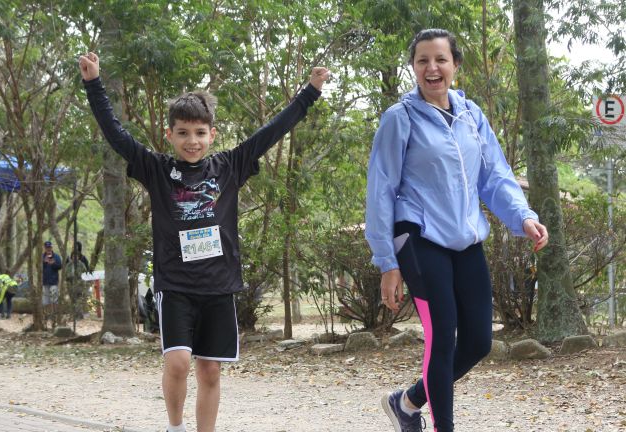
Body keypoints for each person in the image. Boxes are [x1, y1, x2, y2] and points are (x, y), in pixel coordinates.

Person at [78, 52, 329, 432]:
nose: (191, 141)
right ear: (170, 135)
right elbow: (117, 134)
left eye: (199, 133)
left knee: (210, 370)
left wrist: (309, 92)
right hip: (175, 285)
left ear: (212, 134)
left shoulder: (229, 165)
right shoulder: (157, 169)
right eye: (182, 132)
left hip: (217, 286)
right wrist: (94, 83)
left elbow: (273, 130)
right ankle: (175, 427)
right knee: (178, 361)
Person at [365, 29, 548, 432]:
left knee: (479, 342)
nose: (432, 68)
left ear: (455, 66)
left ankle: (407, 402)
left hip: (465, 239)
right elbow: (381, 190)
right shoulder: (401, 118)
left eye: (440, 59)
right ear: (413, 68)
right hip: (418, 238)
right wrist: (387, 262)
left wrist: (523, 217)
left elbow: (495, 176)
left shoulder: (471, 115)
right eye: (422, 61)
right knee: (441, 340)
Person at [42, 240, 62, 325]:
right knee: (45, 301)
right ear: (45, 248)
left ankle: (54, 316)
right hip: (45, 281)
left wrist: (53, 263)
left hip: (54, 281)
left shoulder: (56, 256)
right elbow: (38, 267)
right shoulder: (42, 256)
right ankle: (46, 316)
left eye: (49, 247)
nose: (48, 249)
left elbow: (60, 266)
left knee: (54, 300)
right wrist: (44, 262)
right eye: (47, 247)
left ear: (51, 247)